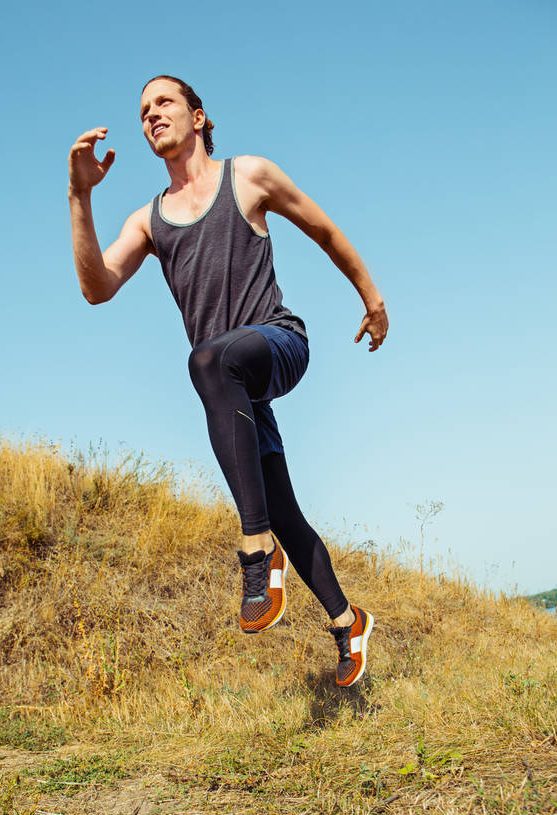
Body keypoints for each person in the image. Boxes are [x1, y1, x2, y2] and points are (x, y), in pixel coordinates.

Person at [67, 75, 389, 686]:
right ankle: (349, 622)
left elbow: (324, 229)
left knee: (208, 362)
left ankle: (254, 549)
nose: (151, 115)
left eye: (163, 102)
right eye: (142, 111)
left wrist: (372, 299)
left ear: (198, 115)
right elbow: (96, 288)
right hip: (232, 389)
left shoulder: (249, 177)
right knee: (284, 509)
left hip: (277, 344)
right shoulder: (148, 221)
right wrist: (79, 198)